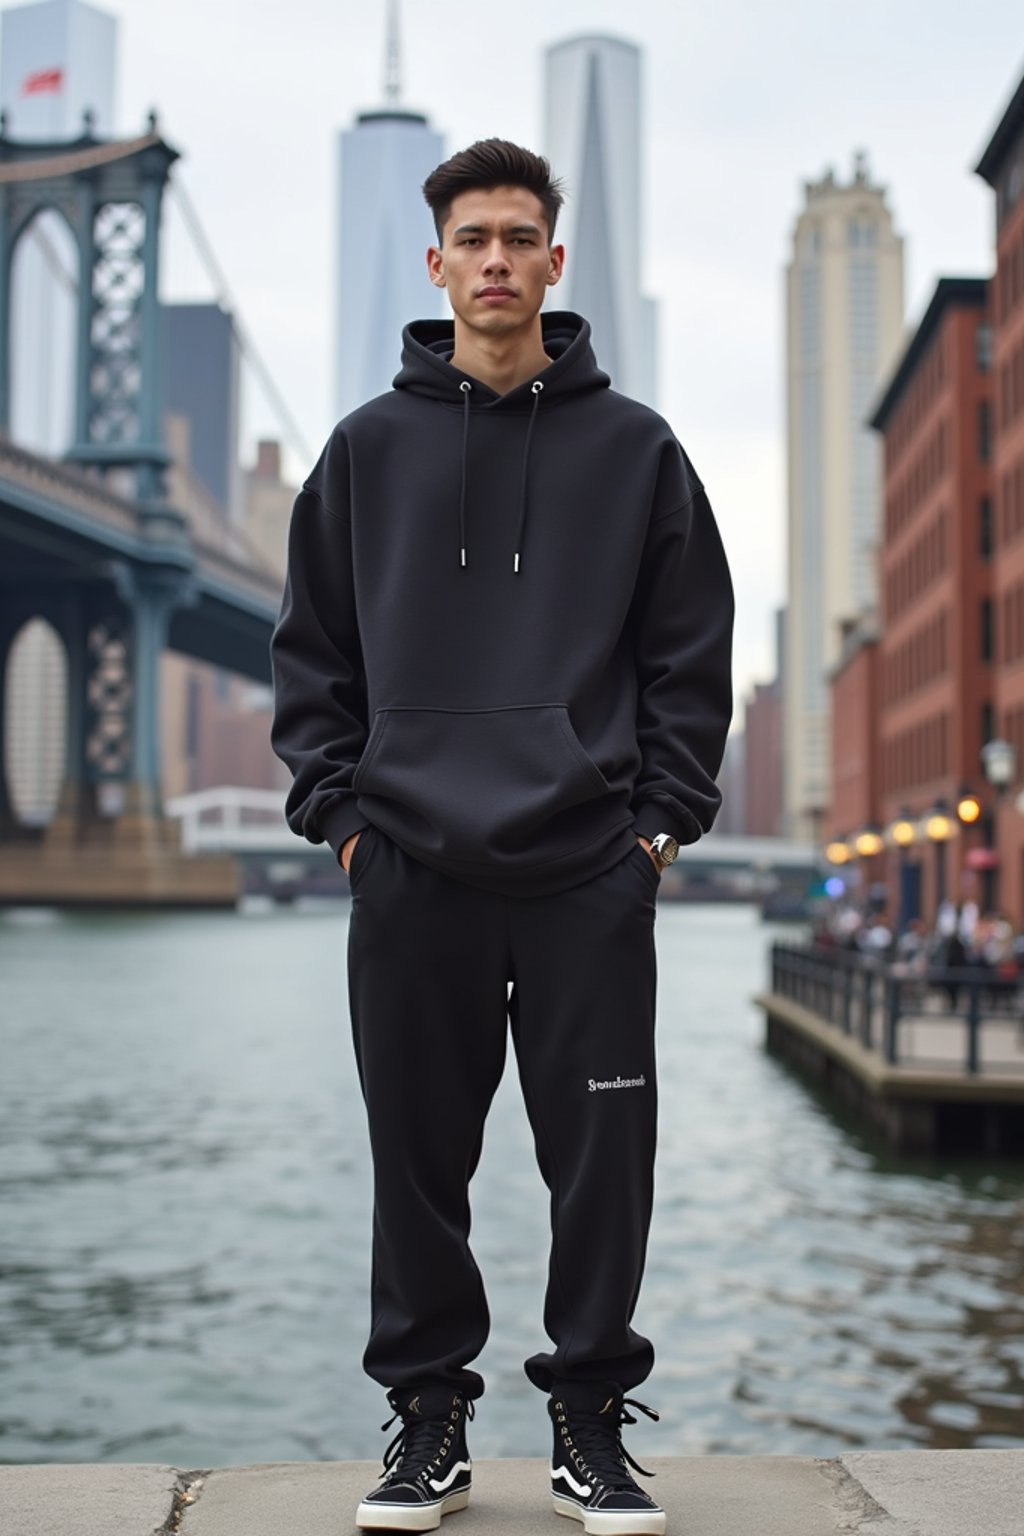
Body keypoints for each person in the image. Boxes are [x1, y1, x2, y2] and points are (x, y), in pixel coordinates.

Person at [269, 138, 734, 1536]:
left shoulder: (638, 449)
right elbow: (313, 662)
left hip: (588, 869)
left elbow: (689, 664)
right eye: (470, 238)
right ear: (436, 263)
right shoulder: (364, 451)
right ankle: (429, 1424)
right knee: (416, 1159)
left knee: (602, 1161)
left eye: (517, 237)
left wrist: (654, 833)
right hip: (412, 867)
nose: (492, 260)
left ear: (552, 260)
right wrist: (345, 823)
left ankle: (591, 1422)